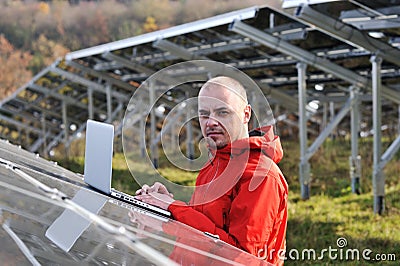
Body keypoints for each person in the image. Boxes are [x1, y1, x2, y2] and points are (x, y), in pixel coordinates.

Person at [135, 76, 288, 265]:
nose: (211, 122)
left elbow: (242, 258)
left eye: (222, 112)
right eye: (204, 114)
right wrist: (164, 212)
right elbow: (207, 226)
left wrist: (174, 207)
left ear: (246, 114)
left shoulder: (260, 176)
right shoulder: (215, 162)